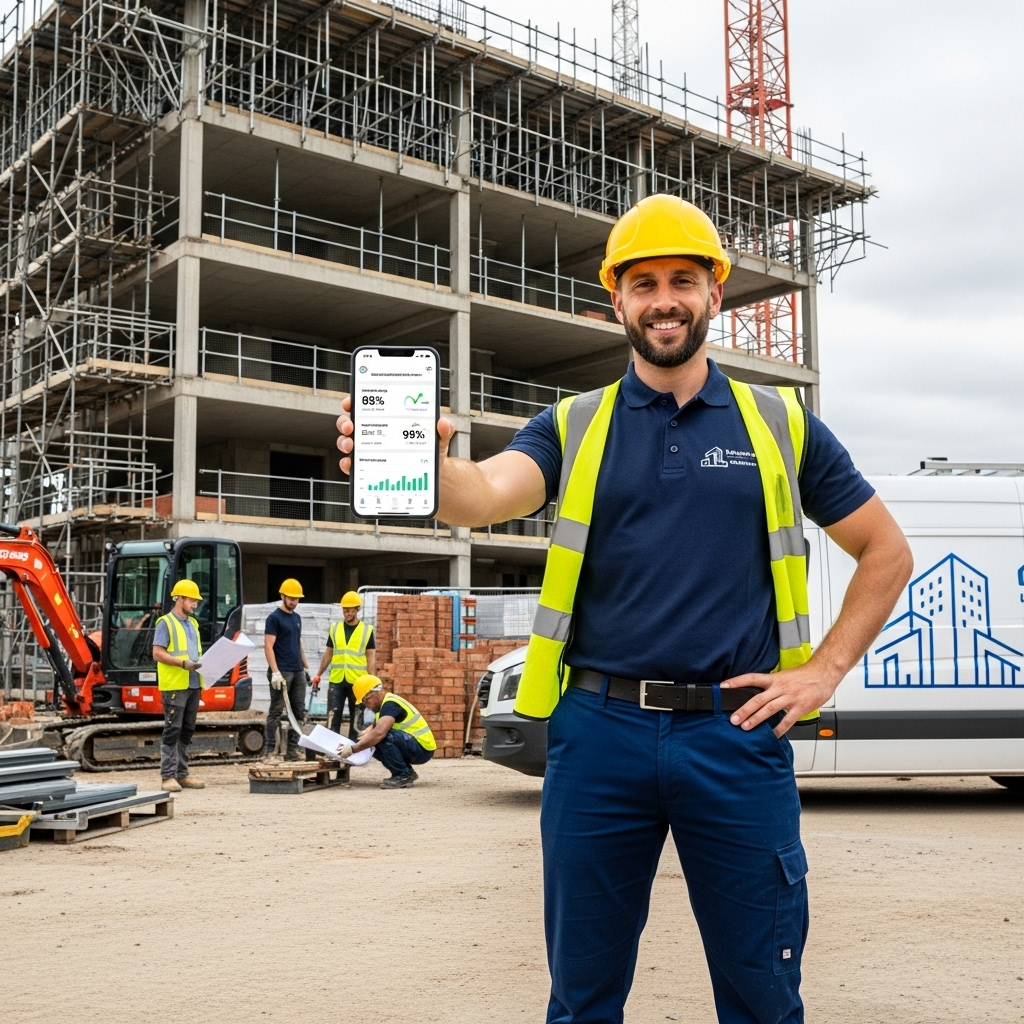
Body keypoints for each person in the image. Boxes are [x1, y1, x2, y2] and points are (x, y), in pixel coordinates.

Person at [336, 194, 914, 1023]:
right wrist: (430, 466)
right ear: (617, 300)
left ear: (715, 292)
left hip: (734, 731)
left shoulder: (781, 425)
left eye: (683, 280)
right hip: (599, 736)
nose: (664, 300)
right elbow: (485, 494)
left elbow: (886, 552)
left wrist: (823, 671)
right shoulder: (574, 425)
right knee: (582, 999)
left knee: (763, 993)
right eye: (644, 283)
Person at [152, 579, 208, 793]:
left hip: (193, 684)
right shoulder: (165, 623)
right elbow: (157, 653)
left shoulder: (193, 624)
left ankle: (182, 774)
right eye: (192, 600)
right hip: (175, 685)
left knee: (187, 730)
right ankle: (168, 776)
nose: (195, 604)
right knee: (172, 729)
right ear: (180, 599)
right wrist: (183, 664)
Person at [339, 675, 435, 789]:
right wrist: (366, 736)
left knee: (381, 736)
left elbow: (380, 733)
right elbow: (375, 730)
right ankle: (405, 772)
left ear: (374, 693)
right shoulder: (382, 709)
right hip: (414, 746)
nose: (367, 707)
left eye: (366, 701)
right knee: (371, 743)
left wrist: (353, 749)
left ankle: (403, 775)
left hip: (422, 749)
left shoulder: (391, 704)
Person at [311, 590, 375, 740]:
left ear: (357, 609)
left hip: (358, 682)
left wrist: (371, 683)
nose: (347, 613)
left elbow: (371, 657)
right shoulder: (335, 628)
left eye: (350, 610)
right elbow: (329, 653)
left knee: (356, 721)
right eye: (345, 610)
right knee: (333, 718)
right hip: (337, 680)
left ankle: (353, 750)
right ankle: (332, 749)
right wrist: (318, 674)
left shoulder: (367, 631)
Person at [263, 577, 310, 761]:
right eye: (291, 598)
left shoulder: (297, 618)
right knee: (276, 711)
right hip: (282, 671)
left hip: (297, 671)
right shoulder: (274, 618)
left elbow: (298, 643)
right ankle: (269, 752)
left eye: (296, 599)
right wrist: (275, 671)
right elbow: (268, 646)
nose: (294, 602)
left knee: (299, 712)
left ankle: (292, 750)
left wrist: (305, 667)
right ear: (282, 596)